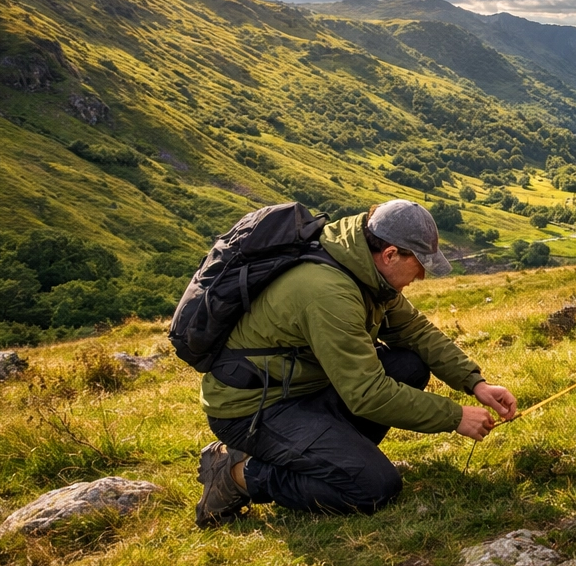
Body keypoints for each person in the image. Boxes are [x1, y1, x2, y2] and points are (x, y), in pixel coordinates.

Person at [195, 199, 516, 525]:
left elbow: (414, 330)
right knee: (374, 487)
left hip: (303, 388)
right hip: (253, 407)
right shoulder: (329, 292)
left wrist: (475, 382)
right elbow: (367, 393)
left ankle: (336, 457)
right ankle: (236, 473)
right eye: (419, 265)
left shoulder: (363, 267)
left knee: (409, 366)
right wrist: (455, 416)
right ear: (390, 254)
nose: (420, 276)